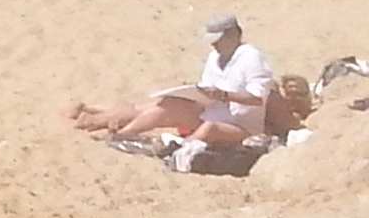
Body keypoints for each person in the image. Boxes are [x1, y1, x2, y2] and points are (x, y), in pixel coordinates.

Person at [68, 15, 274, 147]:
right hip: (210, 112)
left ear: (233, 35)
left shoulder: (251, 58)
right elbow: (208, 89)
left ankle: (114, 130)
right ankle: (115, 129)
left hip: (238, 125)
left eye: (218, 41)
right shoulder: (215, 57)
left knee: (204, 124)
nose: (214, 46)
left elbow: (257, 98)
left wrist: (224, 95)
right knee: (167, 105)